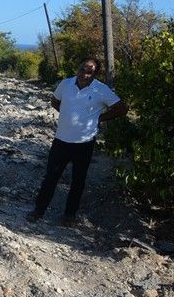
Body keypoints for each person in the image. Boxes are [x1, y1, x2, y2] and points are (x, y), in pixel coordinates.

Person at [26, 58, 128, 225]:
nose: (84, 74)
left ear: (96, 74)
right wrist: (67, 113)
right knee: (51, 178)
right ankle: (38, 211)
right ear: (78, 68)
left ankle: (69, 216)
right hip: (61, 141)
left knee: (78, 181)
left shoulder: (101, 90)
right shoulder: (66, 84)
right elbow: (54, 101)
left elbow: (122, 108)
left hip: (84, 143)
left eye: (90, 72)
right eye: (82, 69)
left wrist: (98, 118)